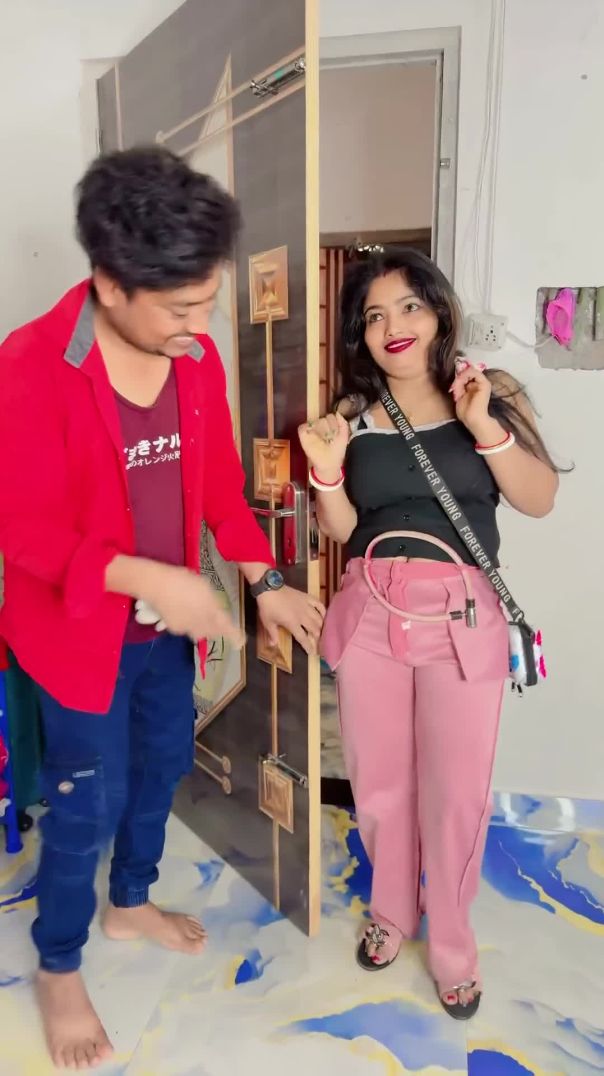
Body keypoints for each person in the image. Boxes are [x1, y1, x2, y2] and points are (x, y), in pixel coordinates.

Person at [0, 146, 325, 1070]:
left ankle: (130, 901)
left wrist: (263, 582)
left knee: (162, 766)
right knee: (86, 800)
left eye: (207, 301)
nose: (200, 325)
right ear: (110, 285)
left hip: (161, 636)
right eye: (180, 308)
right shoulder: (28, 365)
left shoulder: (192, 357)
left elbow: (218, 484)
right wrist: (150, 579)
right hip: (76, 636)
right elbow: (21, 531)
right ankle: (59, 963)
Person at [299, 247, 560, 1020]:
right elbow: (342, 528)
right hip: (372, 610)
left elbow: (539, 497)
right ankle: (390, 914)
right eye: (374, 316)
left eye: (409, 305)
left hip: (461, 616)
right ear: (361, 334)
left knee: (455, 793)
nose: (394, 326)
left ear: (439, 311)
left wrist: (483, 428)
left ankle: (450, 943)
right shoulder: (354, 414)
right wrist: (325, 472)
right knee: (379, 784)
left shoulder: (490, 391)